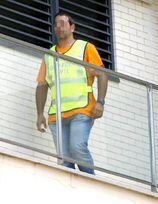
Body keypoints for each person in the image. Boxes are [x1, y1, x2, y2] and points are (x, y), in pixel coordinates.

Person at [35, 12, 108, 175]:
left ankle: (91, 183)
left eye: (62, 23)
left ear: (72, 27)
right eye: (55, 24)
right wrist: (40, 114)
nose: (58, 27)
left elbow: (102, 74)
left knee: (77, 148)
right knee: (64, 159)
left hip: (82, 110)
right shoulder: (49, 54)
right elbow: (42, 85)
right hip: (57, 115)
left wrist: (100, 102)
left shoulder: (85, 48)